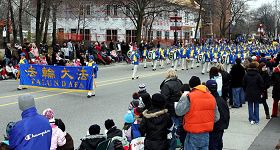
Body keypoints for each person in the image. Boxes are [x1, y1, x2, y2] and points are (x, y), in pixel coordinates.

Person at [175, 76, 220, 150]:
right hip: (206, 134)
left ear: (190, 86)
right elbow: (217, 117)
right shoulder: (211, 97)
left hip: (193, 133)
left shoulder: (189, 97)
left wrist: (183, 97)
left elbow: (179, 112)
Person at [160, 68, 183, 150]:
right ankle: (180, 143)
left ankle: (173, 146)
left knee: (171, 129)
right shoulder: (179, 82)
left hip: (170, 109)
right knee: (179, 126)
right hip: (179, 107)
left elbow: (164, 99)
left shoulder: (166, 85)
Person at [206, 80, 230, 150]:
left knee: (213, 146)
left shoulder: (211, 101)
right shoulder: (221, 100)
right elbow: (226, 113)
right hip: (221, 127)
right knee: (219, 144)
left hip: (214, 128)